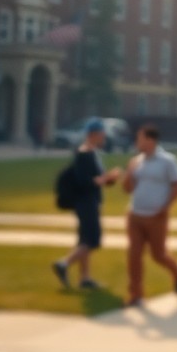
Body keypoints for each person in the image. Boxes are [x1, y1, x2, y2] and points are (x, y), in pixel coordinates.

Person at [121, 124, 177, 307]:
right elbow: (127, 189)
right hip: (135, 214)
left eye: (140, 139)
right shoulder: (137, 161)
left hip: (156, 216)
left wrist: (165, 206)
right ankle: (136, 294)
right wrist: (129, 172)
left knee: (158, 255)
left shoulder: (168, 161)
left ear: (150, 140)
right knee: (134, 254)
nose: (137, 142)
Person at [52, 120, 120, 290]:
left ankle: (85, 278)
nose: (104, 136)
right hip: (85, 202)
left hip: (90, 201)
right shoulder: (84, 154)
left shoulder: (93, 153)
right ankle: (64, 264)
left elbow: (97, 180)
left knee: (84, 240)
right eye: (102, 132)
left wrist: (108, 179)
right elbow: (85, 182)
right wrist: (106, 178)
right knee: (93, 240)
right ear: (93, 134)